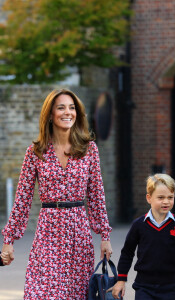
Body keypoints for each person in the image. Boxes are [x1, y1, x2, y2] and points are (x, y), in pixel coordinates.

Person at [1, 89, 112, 299]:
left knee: (76, 294)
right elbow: (22, 199)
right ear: (50, 114)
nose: (67, 112)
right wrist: (9, 239)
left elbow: (97, 196)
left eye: (72, 108)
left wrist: (104, 236)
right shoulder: (36, 152)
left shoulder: (89, 150)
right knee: (41, 293)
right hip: (48, 232)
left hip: (78, 233)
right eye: (61, 107)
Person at [112, 173, 175, 300]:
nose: (166, 201)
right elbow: (127, 253)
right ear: (149, 198)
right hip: (143, 286)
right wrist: (121, 280)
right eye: (161, 197)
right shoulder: (139, 225)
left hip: (170, 287)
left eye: (170, 197)